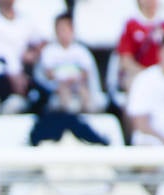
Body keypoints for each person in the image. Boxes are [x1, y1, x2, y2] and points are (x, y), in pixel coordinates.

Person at [31, 13, 110, 146]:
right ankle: (68, 112)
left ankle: (88, 115)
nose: (64, 34)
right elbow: (48, 73)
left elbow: (85, 72)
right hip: (58, 90)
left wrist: (75, 78)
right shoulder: (50, 51)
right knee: (63, 89)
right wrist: (63, 78)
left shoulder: (81, 51)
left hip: (78, 87)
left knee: (83, 91)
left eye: (66, 29)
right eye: (60, 30)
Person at [0, 0, 47, 108]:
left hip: (21, 72)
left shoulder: (24, 19)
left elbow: (42, 42)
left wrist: (31, 54)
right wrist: (10, 74)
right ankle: (7, 104)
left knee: (42, 94)